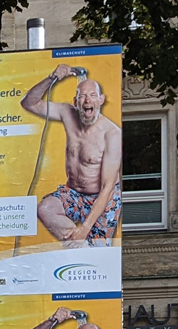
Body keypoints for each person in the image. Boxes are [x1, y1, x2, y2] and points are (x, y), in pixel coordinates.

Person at [19, 65, 123, 244]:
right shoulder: (67, 113)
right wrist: (52, 77)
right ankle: (81, 247)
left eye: (92, 95)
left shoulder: (111, 134)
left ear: (101, 100)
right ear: (75, 102)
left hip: (102, 198)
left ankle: (87, 250)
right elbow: (28, 103)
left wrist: (85, 227)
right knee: (46, 208)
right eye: (82, 96)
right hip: (74, 193)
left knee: (99, 256)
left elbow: (107, 187)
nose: (87, 100)